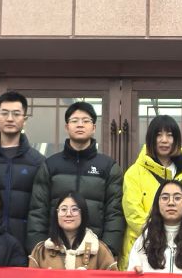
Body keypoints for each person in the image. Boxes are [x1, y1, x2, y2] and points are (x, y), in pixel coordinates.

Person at [28, 101, 124, 256]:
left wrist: (108, 251)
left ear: (94, 128)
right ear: (67, 127)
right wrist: (39, 250)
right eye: (74, 121)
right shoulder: (50, 165)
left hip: (94, 252)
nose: (80, 125)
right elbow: (38, 211)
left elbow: (114, 213)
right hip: (54, 250)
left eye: (86, 121)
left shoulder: (108, 167)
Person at [119, 115, 182, 263]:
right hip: (142, 248)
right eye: (158, 135)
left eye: (169, 135)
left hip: (181, 247)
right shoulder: (134, 173)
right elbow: (133, 213)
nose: (164, 140)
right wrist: (159, 236)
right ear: (150, 139)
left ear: (176, 139)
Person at [0, 89, 45, 251]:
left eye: (16, 114)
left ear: (24, 119)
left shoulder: (37, 161)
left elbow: (41, 209)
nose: (10, 118)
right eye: (4, 113)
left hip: (24, 243)